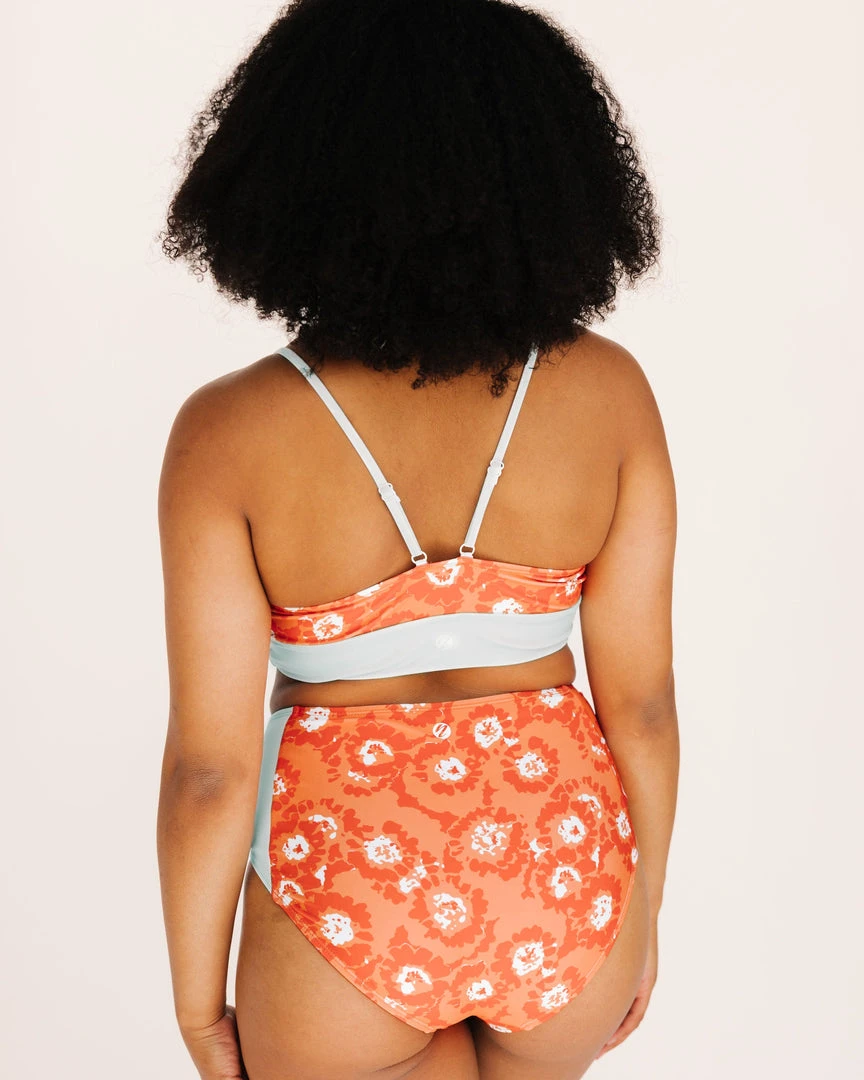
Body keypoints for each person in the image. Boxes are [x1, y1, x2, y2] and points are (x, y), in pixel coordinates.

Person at [155, 1, 679, 1077]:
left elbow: (210, 771)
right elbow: (643, 707)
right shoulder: (610, 394)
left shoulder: (228, 433)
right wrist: (639, 915)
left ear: (287, 177)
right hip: (566, 880)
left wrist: (198, 1004)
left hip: (346, 886)